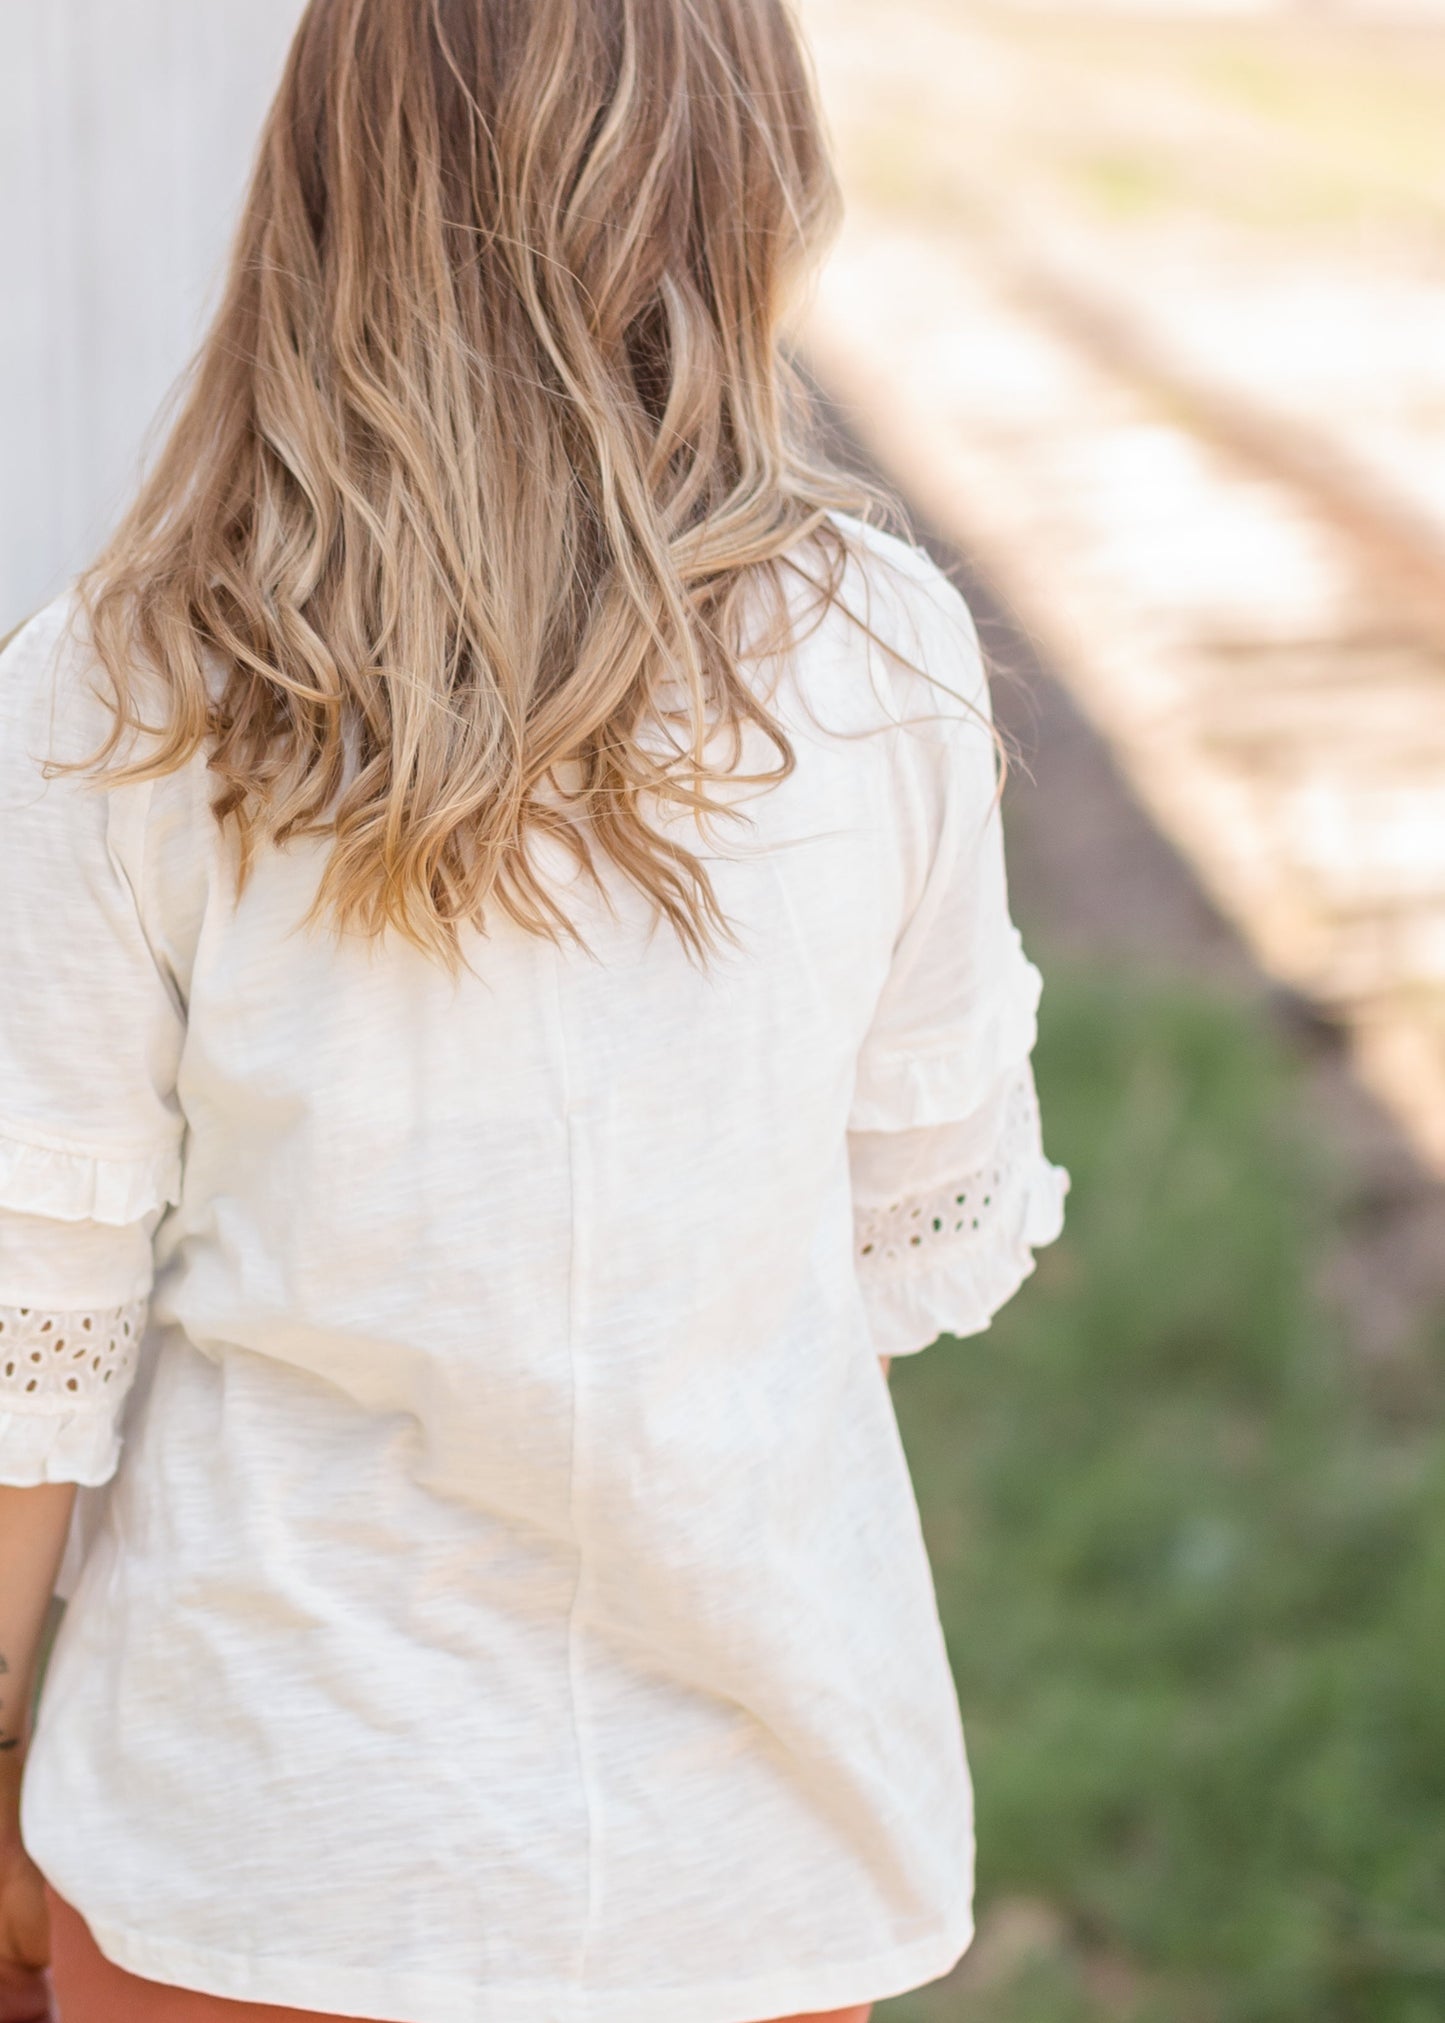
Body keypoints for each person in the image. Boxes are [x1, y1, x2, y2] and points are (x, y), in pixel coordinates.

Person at [0, 0, 1069, 2018]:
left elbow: (22, 1330)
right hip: (739, 1871)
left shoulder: (123, 686)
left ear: (323, 179)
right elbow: (887, 1244)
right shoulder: (887, 661)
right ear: (744, 176)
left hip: (253, 1849)